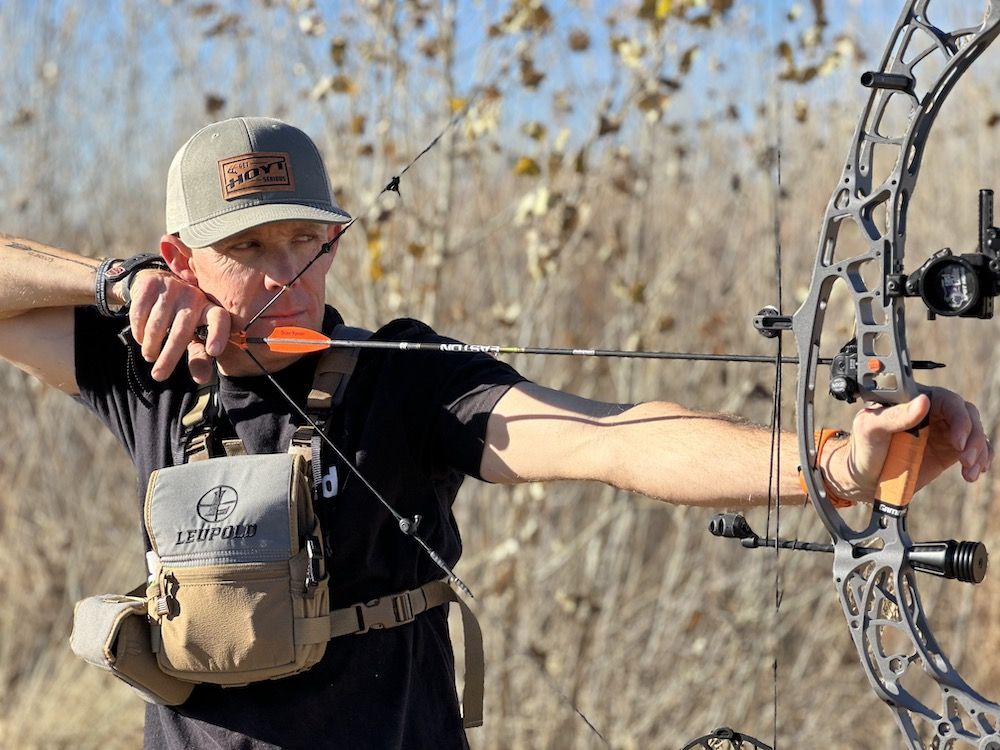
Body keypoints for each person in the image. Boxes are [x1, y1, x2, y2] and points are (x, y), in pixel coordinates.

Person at [0, 117, 991, 749]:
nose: (284, 274)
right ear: (184, 259)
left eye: (305, 241)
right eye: (246, 248)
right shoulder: (148, 369)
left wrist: (837, 465)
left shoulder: (405, 379)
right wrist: (112, 283)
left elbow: (618, 438)